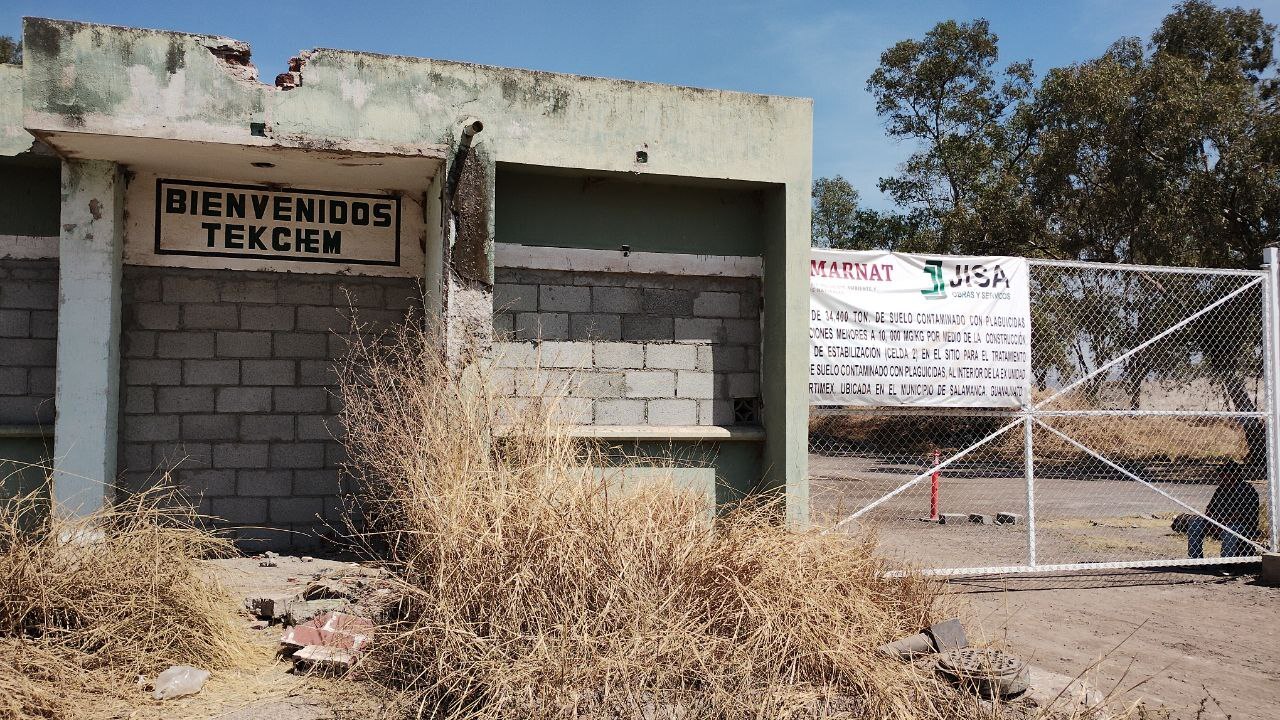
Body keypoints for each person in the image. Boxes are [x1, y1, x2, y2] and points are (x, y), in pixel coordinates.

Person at [1186, 462, 1260, 559]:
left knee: (1230, 530)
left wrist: (1221, 524)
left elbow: (1239, 515)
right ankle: (1194, 559)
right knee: (1195, 523)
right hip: (1218, 522)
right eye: (1221, 474)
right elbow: (1210, 508)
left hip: (1240, 525)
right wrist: (1211, 521)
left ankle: (1226, 563)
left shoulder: (1246, 490)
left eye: (1224, 474)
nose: (1221, 477)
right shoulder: (1221, 489)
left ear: (1235, 475)